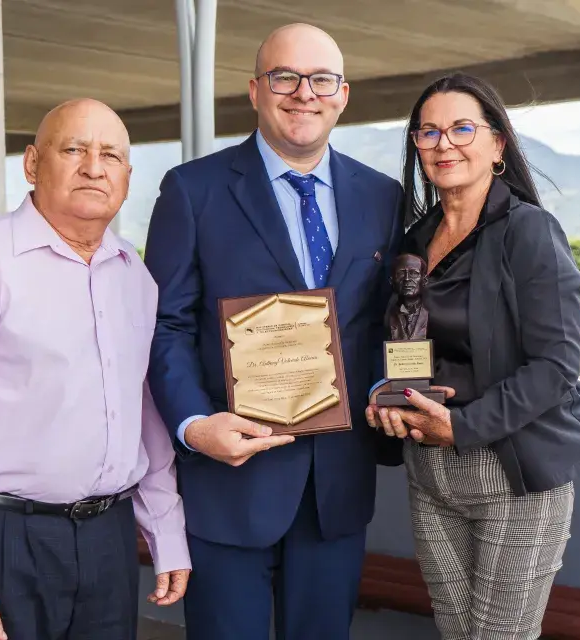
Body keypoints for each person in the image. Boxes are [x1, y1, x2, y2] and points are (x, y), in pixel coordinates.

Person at [143, 23, 404, 640]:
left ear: (342, 94)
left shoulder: (384, 197)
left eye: (319, 80)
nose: (302, 93)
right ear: (255, 90)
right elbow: (165, 324)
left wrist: (390, 392)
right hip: (229, 481)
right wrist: (192, 425)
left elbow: (387, 325)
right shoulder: (193, 190)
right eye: (285, 77)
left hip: (336, 486)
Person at [0, 98, 192, 640]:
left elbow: (144, 419)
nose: (94, 167)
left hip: (109, 540)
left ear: (127, 175)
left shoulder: (135, 277)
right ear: (33, 164)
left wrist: (165, 530)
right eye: (74, 149)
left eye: (112, 155)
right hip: (4, 540)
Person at [366, 72, 580, 640]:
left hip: (510, 473)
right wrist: (387, 399)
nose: (444, 144)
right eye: (428, 132)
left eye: (462, 128)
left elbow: (557, 368)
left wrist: (459, 427)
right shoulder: (414, 239)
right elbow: (403, 345)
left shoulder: (528, 232)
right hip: (430, 473)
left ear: (497, 144)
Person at [388, 253, 430, 340]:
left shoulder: (433, 314)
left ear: (425, 280)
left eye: (413, 273)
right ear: (391, 281)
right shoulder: (386, 318)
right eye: (401, 273)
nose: (407, 279)